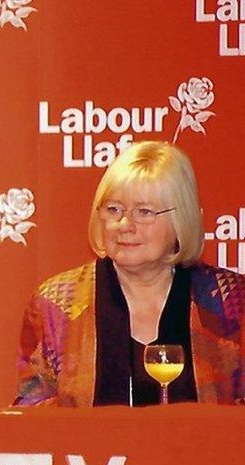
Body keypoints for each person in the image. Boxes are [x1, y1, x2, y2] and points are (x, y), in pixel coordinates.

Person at [16, 141, 245, 406]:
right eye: (114, 210)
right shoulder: (57, 303)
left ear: (182, 218)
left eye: (144, 211)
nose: (125, 225)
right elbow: (30, 416)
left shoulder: (231, 300)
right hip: (93, 448)